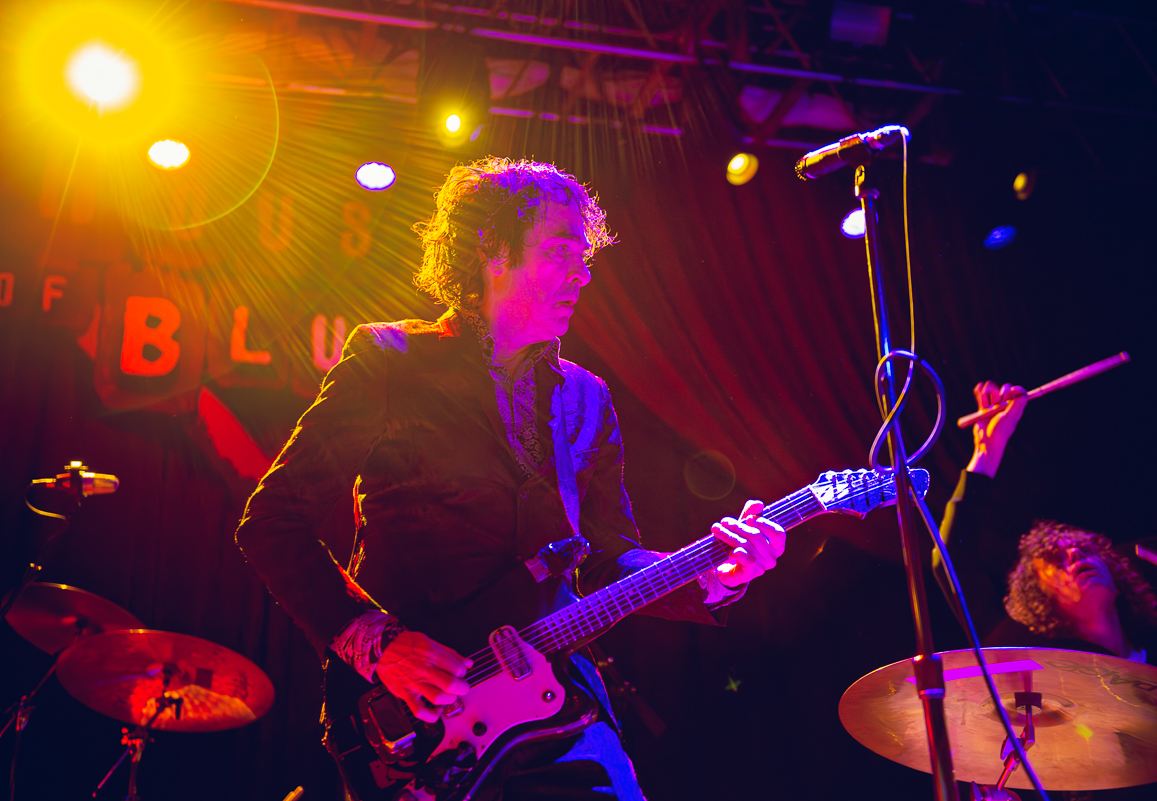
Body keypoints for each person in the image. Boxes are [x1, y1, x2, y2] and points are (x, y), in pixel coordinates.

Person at [235, 157, 787, 800]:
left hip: (556, 707)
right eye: (560, 251)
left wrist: (713, 576)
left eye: (585, 256)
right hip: (419, 724)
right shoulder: (391, 362)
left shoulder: (586, 398)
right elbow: (272, 523)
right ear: (492, 250)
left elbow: (607, 557)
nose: (583, 274)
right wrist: (381, 646)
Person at [934, 380, 1157, 675]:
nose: (1074, 554)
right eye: (1056, 561)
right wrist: (988, 450)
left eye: (1086, 550)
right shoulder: (1039, 668)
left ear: (1116, 580)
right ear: (1042, 600)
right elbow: (951, 559)